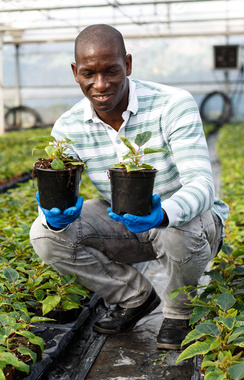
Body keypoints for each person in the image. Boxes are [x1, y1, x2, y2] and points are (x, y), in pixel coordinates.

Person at [29, 24, 229, 350]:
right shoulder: (68, 126)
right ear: (74, 73)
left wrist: (162, 213)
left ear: (129, 65)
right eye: (88, 74)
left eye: (111, 71)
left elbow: (202, 185)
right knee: (43, 234)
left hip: (189, 226)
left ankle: (180, 312)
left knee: (177, 227)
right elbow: (58, 193)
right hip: (125, 225)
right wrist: (53, 213)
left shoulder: (172, 104)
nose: (100, 84)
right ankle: (134, 297)